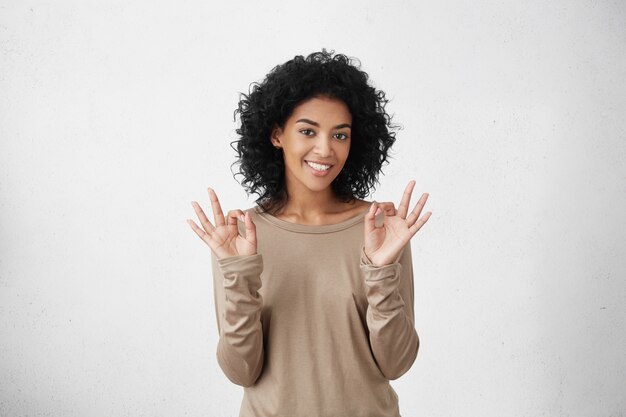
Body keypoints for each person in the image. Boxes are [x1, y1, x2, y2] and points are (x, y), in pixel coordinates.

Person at [187, 49, 432, 417]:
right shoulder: (239, 236)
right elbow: (241, 371)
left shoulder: (381, 229)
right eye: (307, 131)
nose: (325, 149)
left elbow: (396, 364)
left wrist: (380, 273)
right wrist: (239, 274)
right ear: (275, 134)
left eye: (340, 134)